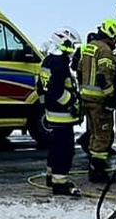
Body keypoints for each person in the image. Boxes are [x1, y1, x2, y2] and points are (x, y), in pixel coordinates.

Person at [36, 28, 84, 196]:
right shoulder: (60, 63)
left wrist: (45, 106)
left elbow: (41, 87)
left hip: (52, 113)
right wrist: (71, 102)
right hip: (62, 115)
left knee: (55, 147)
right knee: (65, 150)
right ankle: (60, 183)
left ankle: (51, 177)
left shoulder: (48, 60)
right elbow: (56, 91)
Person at [79, 19, 116, 182]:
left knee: (94, 134)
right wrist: (111, 97)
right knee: (103, 135)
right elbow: (103, 76)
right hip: (99, 100)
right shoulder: (105, 51)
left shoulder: (90, 47)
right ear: (110, 35)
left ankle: (95, 168)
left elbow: (79, 70)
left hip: (87, 97)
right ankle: (98, 172)